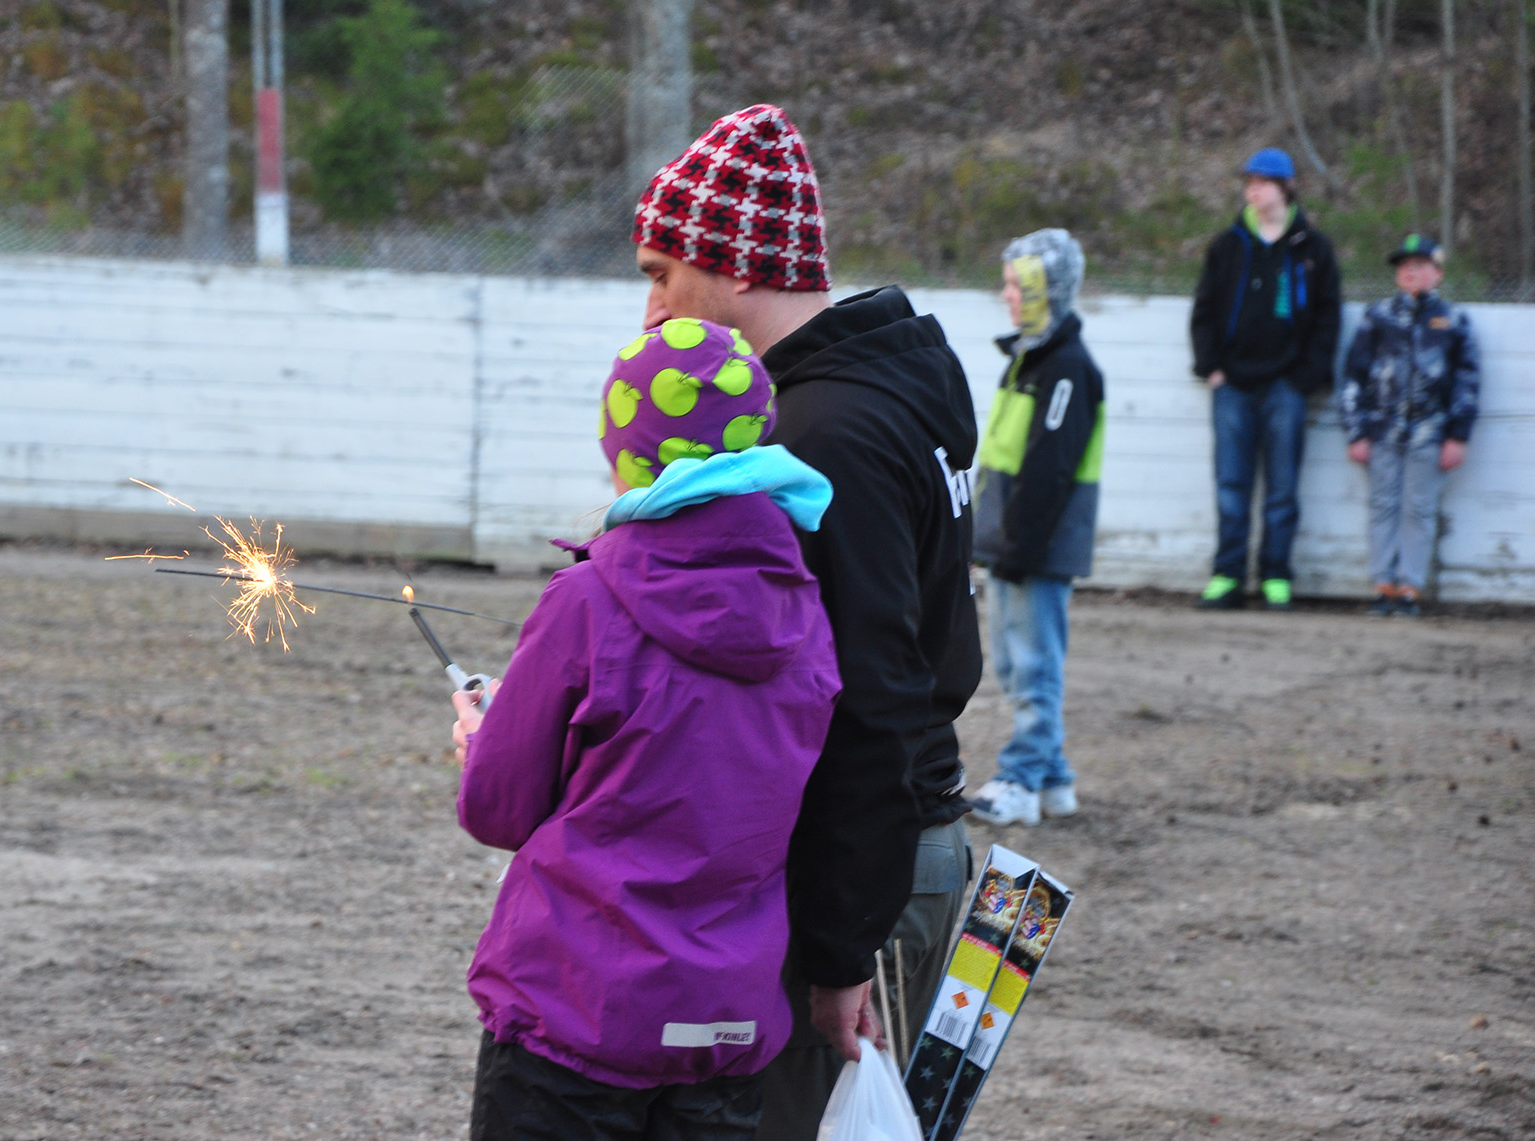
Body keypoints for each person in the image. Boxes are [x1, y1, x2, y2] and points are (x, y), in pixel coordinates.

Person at [625, 103, 983, 1141]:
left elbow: (866, 700)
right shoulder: (898, 379)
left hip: (860, 861)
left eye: (659, 272)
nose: (648, 310)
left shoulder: (821, 434)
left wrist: (836, 953)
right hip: (895, 843)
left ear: (731, 265)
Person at [451, 316, 844, 1141]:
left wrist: (484, 739)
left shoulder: (586, 600)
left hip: (575, 1011)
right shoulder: (806, 610)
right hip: (725, 1023)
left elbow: (498, 809)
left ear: (624, 450)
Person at [966, 229, 1105, 828]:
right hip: (1014, 545)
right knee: (1017, 660)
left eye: (1016, 286)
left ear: (1047, 291)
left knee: (1032, 664)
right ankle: (1053, 780)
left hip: (1034, 548)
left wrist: (1019, 545)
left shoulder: (1066, 369)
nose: (1006, 296)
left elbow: (1049, 468)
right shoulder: (1031, 360)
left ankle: (1021, 777)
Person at [1187, 147, 1341, 610]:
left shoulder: (1313, 249)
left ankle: (1276, 576)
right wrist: (1211, 367)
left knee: (1282, 488)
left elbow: (1328, 319)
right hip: (1232, 383)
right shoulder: (1227, 245)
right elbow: (1205, 309)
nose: (1252, 190)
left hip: (1286, 386)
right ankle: (1228, 576)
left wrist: (1303, 379)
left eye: (1262, 182)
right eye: (1248, 182)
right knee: (1231, 485)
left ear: (1286, 187)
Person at [1338, 233, 1482, 617]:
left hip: (1430, 434)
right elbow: (1354, 375)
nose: (1410, 272)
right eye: (1404, 267)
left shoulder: (1453, 321)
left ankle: (1410, 588)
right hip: (1383, 431)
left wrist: (1458, 436)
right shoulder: (1378, 317)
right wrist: (1356, 431)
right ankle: (1382, 584)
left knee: (1419, 509)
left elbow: (1467, 383)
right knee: (1383, 505)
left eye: (1419, 266)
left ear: (1437, 273)